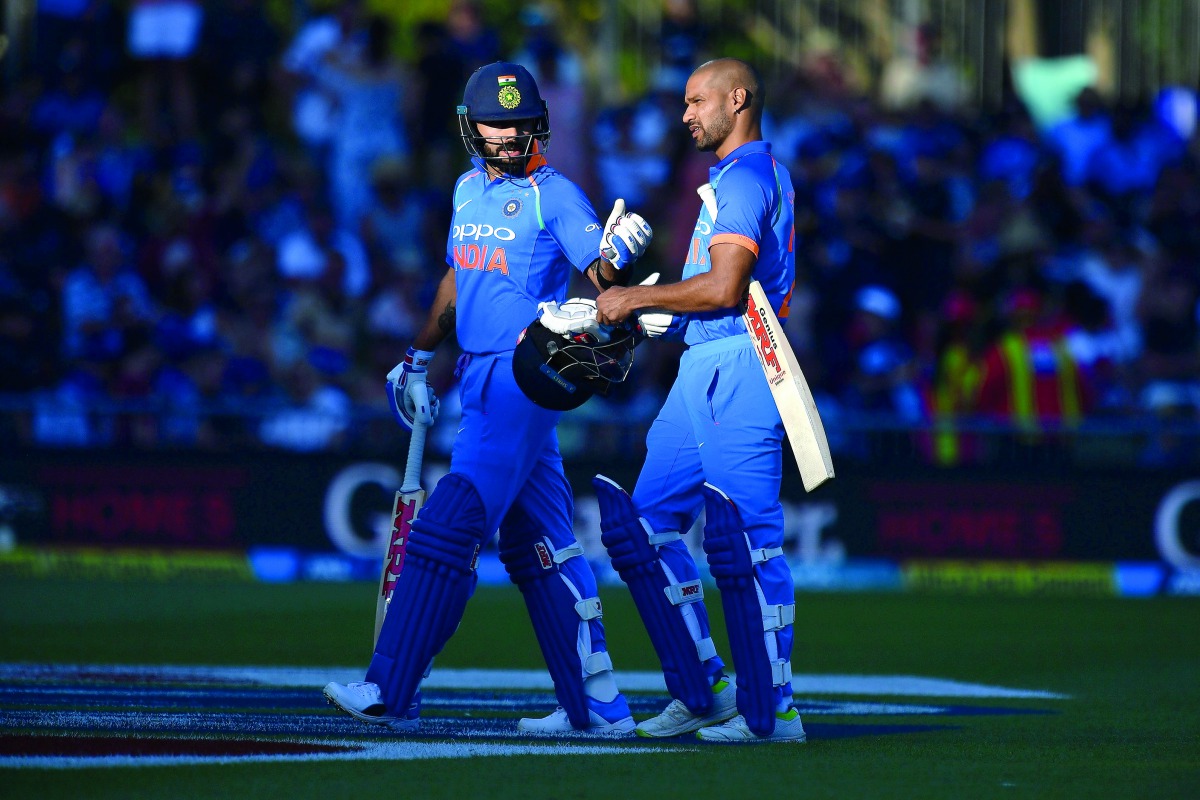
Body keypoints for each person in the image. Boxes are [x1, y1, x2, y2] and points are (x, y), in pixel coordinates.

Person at [323, 62, 654, 735]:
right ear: (471, 126)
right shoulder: (467, 189)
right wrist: (418, 357)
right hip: (473, 371)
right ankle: (598, 705)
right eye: (494, 121)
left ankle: (390, 686)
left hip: (524, 372)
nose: (507, 133)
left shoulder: (555, 195)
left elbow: (601, 276)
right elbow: (456, 280)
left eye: (518, 119)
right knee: (543, 542)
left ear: (539, 122)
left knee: (450, 522)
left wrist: (618, 255)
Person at [593, 58, 807, 743]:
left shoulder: (744, 176)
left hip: (743, 364)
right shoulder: (732, 179)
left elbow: (723, 289)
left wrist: (634, 296)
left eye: (695, 100)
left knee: (749, 543)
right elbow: (708, 299)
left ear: (737, 99)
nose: (684, 114)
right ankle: (706, 684)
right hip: (702, 365)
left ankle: (775, 712)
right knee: (646, 529)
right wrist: (659, 315)